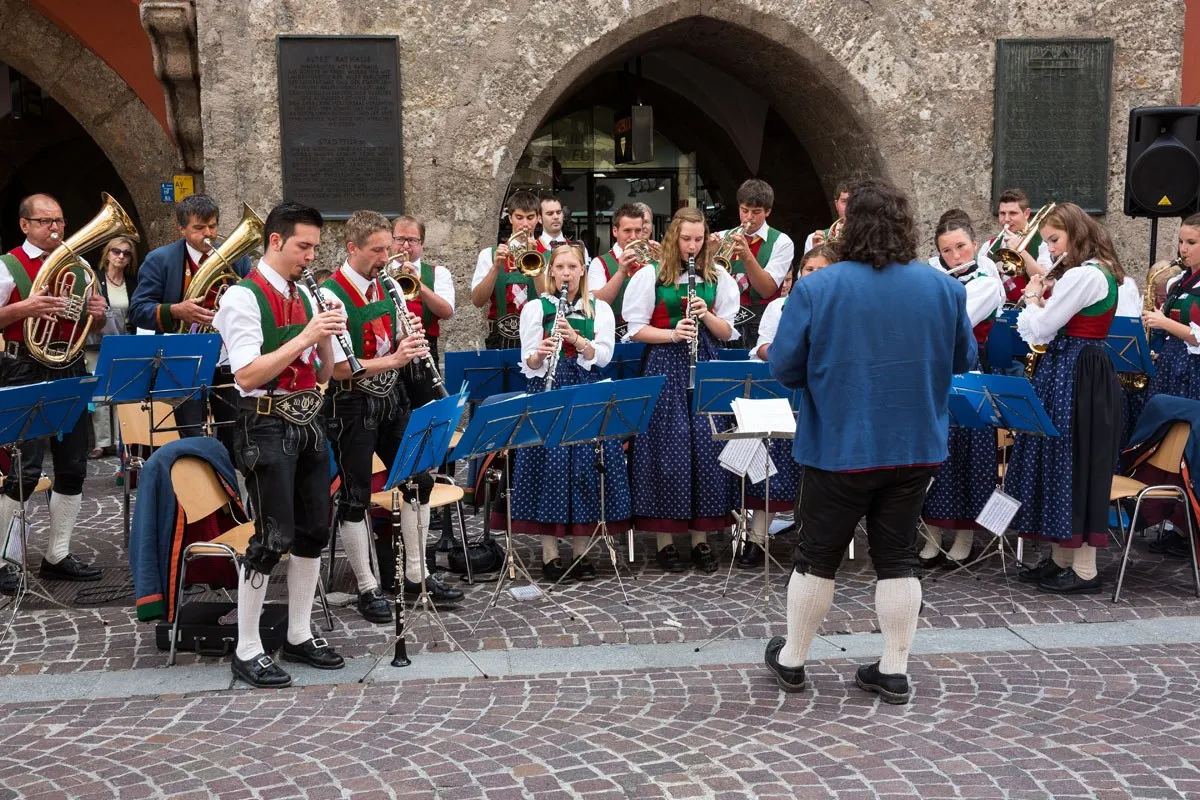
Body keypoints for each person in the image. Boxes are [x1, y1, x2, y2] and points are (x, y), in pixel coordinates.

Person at [764, 179, 976, 704]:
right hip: (915, 446)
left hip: (841, 444)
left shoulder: (818, 288)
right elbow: (964, 362)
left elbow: (785, 368)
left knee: (817, 554)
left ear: (850, 228)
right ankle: (895, 668)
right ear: (907, 226)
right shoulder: (946, 288)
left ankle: (793, 658)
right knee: (897, 557)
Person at [213, 202, 345, 689]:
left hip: (309, 420)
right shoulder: (242, 299)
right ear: (274, 241)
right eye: (302, 247)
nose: (310, 257)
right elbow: (246, 374)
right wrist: (306, 334)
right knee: (273, 536)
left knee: (314, 529)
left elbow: (327, 372)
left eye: (314, 247)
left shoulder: (307, 294)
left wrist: (329, 334)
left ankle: (298, 632)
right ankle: (247, 648)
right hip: (264, 424)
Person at [321, 211, 462, 624]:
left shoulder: (386, 283)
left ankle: (417, 574)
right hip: (351, 403)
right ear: (352, 248)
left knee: (418, 478)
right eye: (378, 250)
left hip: (392, 398)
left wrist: (408, 339)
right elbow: (337, 369)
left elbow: (392, 340)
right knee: (354, 495)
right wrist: (397, 357)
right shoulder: (331, 294)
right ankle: (367, 586)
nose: (388, 256)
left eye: (389, 247)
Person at [1007, 202, 1124, 595]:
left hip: (1076, 369)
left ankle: (1085, 569)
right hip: (1073, 367)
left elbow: (1041, 328)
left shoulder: (1085, 275)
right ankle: (1061, 558)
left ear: (1076, 233)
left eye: (1055, 241)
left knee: (1075, 458)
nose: (1052, 250)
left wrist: (1034, 297)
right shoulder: (1089, 271)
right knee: (1060, 456)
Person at [0, 193, 109, 594]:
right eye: (45, 221)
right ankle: (2, 558)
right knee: (24, 471)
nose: (56, 228)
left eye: (60, 221)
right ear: (25, 225)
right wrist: (23, 309)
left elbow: (89, 328)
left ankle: (57, 554)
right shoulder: (7, 267)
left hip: (70, 365)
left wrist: (96, 316)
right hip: (24, 366)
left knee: (73, 464)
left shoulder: (78, 266)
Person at [624, 207, 739, 572]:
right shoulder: (650, 275)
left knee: (705, 449)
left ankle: (702, 538)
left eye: (699, 239)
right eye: (686, 239)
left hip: (702, 362)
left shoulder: (717, 275)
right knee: (667, 448)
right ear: (674, 238)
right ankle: (665, 539)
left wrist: (705, 315)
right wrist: (673, 333)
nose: (692, 246)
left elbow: (727, 333)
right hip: (664, 363)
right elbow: (635, 328)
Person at [513, 242, 629, 580]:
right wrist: (541, 353)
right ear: (551, 271)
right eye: (560, 267)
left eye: (572, 267)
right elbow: (528, 363)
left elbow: (603, 356)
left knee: (585, 468)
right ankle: (550, 554)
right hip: (548, 389)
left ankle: (581, 550)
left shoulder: (599, 309)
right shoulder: (536, 308)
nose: (566, 273)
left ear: (582, 271)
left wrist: (576, 340)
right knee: (550, 467)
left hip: (585, 391)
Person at [736, 243, 839, 569]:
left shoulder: (841, 308)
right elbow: (763, 345)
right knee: (769, 460)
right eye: (809, 270)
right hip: (783, 394)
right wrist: (787, 354)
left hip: (824, 398)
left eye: (823, 271)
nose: (814, 277)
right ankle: (757, 537)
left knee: (817, 473)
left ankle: (812, 541)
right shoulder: (780, 306)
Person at [128, 194, 252, 461]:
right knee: (192, 436)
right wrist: (175, 310)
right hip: (184, 360)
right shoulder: (160, 260)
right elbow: (137, 310)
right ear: (181, 229)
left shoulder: (237, 259)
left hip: (227, 358)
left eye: (213, 226)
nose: (208, 235)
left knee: (234, 434)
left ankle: (230, 492)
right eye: (198, 228)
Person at [918, 215, 1003, 568]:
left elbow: (956, 320)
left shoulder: (987, 280)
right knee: (932, 455)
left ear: (975, 244)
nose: (954, 256)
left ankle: (964, 535)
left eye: (961, 247)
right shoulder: (928, 274)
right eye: (946, 250)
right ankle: (931, 533)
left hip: (968, 372)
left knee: (967, 455)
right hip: (928, 372)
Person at [712, 179, 795, 345]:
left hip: (761, 321)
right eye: (744, 210)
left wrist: (747, 256)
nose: (748, 218)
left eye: (756, 212)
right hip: (722, 321)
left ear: (768, 211)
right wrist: (709, 256)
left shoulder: (782, 242)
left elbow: (767, 290)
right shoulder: (721, 237)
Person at [390, 214, 455, 407]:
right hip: (388, 354)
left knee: (427, 413)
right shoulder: (381, 273)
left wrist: (419, 283)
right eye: (400, 239)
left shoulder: (437, 273)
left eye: (412, 240)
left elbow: (447, 312)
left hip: (424, 353)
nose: (405, 246)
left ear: (422, 244)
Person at [471, 190, 547, 350]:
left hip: (538, 337)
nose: (525, 224)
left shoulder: (548, 255)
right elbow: (477, 301)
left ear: (538, 219)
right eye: (519, 217)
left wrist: (536, 258)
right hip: (499, 338)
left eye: (530, 217)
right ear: (510, 218)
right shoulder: (488, 254)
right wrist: (495, 267)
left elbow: (549, 298)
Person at [86, 235, 139, 458]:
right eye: (116, 251)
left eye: (126, 253)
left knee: (120, 390)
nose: (120, 256)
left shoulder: (133, 283)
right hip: (96, 344)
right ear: (107, 254)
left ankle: (120, 439)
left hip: (122, 342)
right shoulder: (95, 279)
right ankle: (101, 442)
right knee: (98, 393)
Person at [590, 204, 652, 333]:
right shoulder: (599, 263)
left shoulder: (653, 260)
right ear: (615, 231)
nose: (633, 237)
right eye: (627, 231)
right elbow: (595, 305)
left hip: (648, 333)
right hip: (611, 335)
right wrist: (621, 272)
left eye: (638, 231)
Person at [983, 188, 1053, 303]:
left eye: (1013, 213)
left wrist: (1020, 250)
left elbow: (1047, 280)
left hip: (1034, 308)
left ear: (1026, 214)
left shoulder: (1044, 243)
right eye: (1002, 213)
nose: (1006, 219)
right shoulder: (989, 246)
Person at [537, 194, 589, 263]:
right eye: (550, 214)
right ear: (540, 219)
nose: (556, 216)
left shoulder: (579, 249)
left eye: (558, 212)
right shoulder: (531, 250)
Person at [803, 183, 850, 252]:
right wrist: (816, 253)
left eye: (855, 202)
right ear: (836, 204)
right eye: (844, 202)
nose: (850, 207)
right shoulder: (814, 238)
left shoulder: (869, 237)